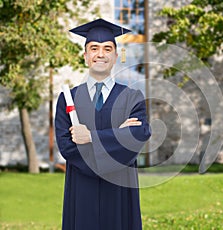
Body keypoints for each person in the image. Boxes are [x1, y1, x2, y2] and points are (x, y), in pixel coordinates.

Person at [55, 18, 151, 230]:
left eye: (107, 48)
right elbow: (67, 147)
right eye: (94, 48)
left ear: (116, 56)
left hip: (119, 189)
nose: (101, 54)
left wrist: (91, 137)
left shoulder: (131, 97)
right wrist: (118, 137)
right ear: (86, 56)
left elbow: (139, 134)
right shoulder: (68, 99)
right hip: (82, 189)